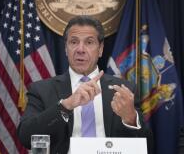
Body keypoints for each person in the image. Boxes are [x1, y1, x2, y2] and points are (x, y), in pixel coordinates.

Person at [17, 16, 153, 154]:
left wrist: (131, 118)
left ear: (100, 49)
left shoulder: (124, 90)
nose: (80, 49)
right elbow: (26, 137)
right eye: (74, 42)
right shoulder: (42, 90)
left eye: (89, 42)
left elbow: (147, 144)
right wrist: (66, 105)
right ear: (66, 48)